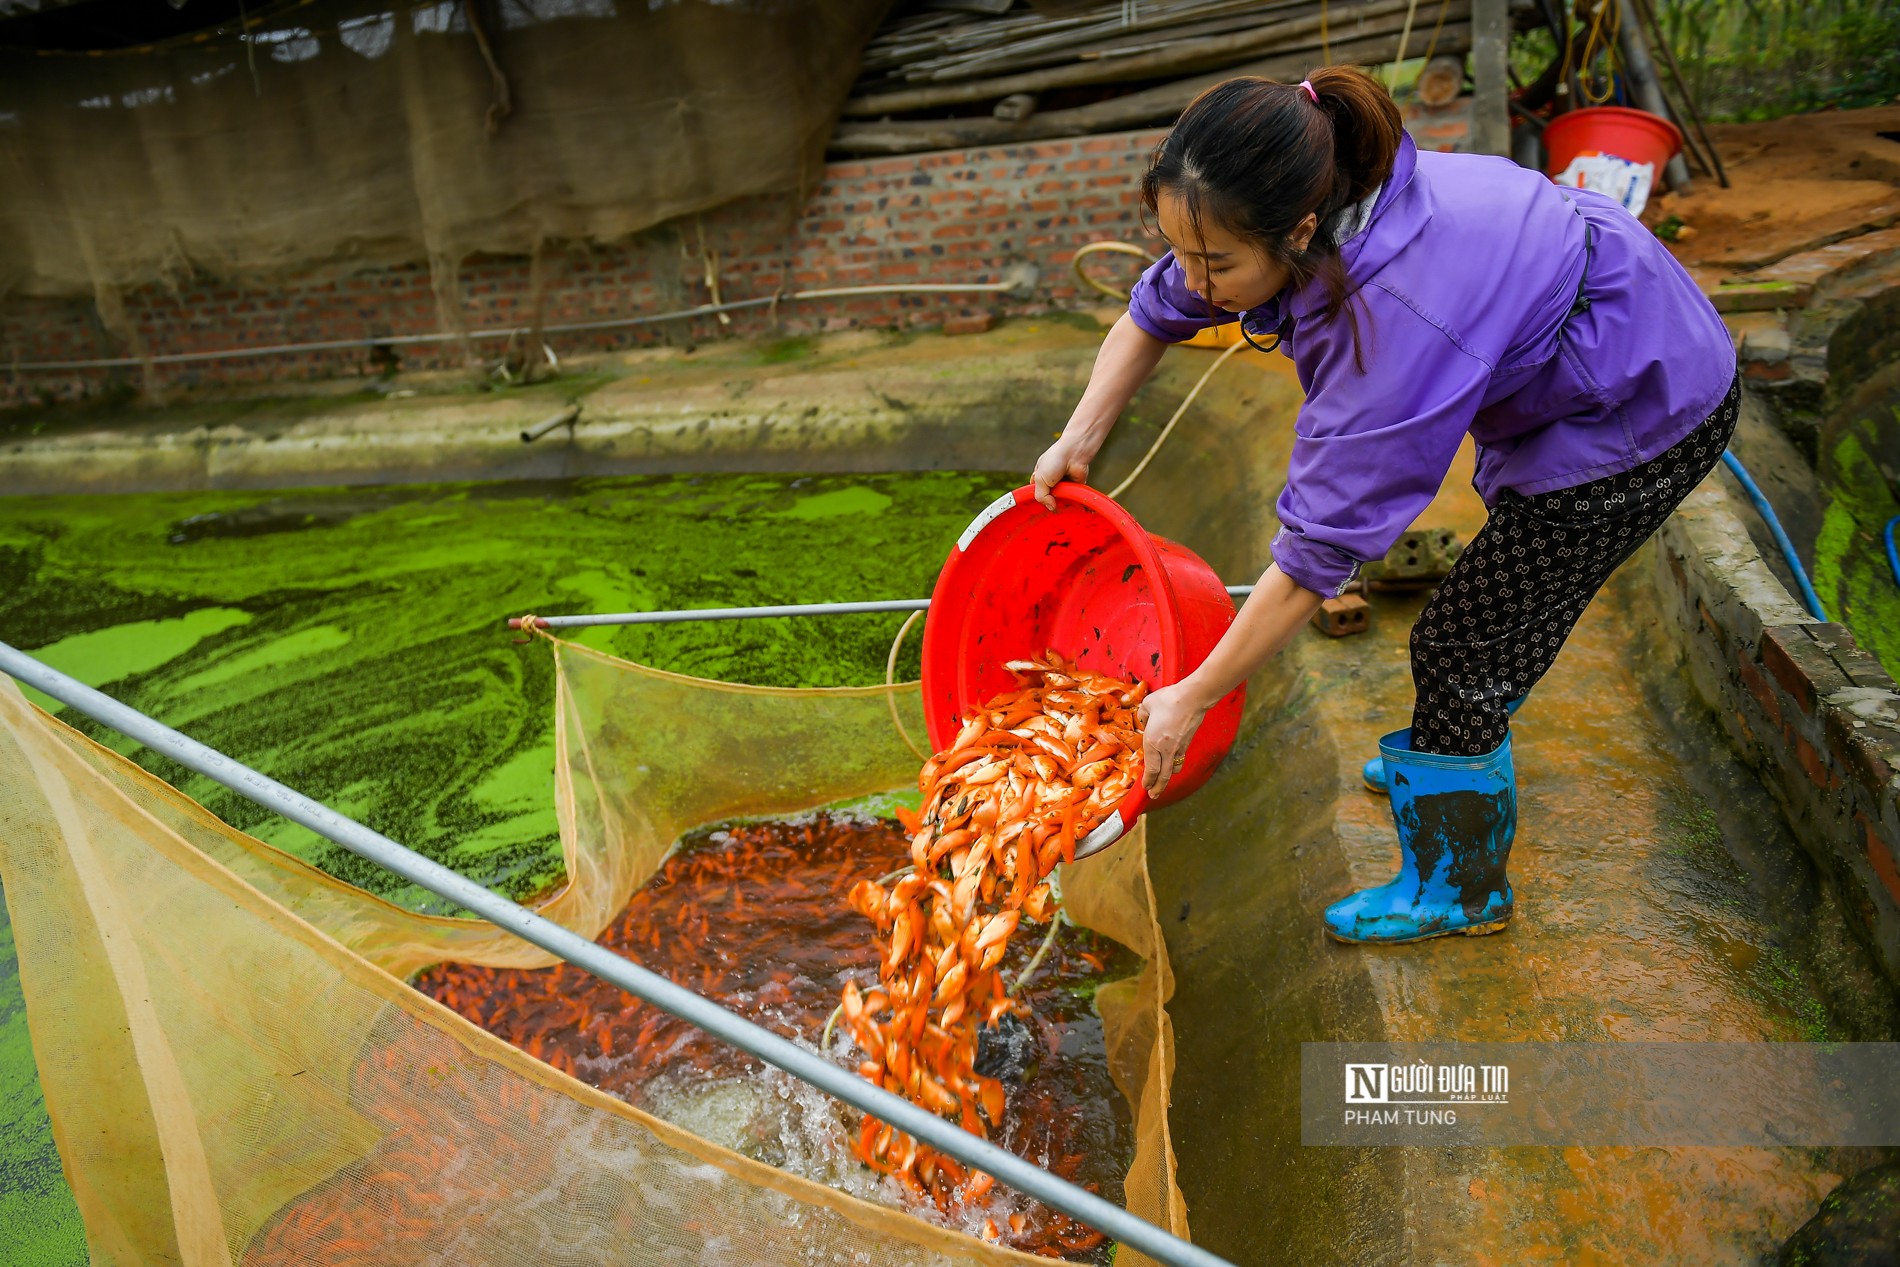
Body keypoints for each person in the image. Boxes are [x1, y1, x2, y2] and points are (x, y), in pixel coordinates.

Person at [1032, 66, 1738, 945]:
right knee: (1483, 628)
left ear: (1297, 231)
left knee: (1464, 640)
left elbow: (1314, 559)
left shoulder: (1391, 320)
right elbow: (1153, 310)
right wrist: (1077, 439)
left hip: (1640, 403)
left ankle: (1461, 888)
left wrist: (1191, 695)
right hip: (1588, 333)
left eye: (1213, 263)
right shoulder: (1297, 204)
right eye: (1179, 247)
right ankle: (1447, 750)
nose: (1192, 278)